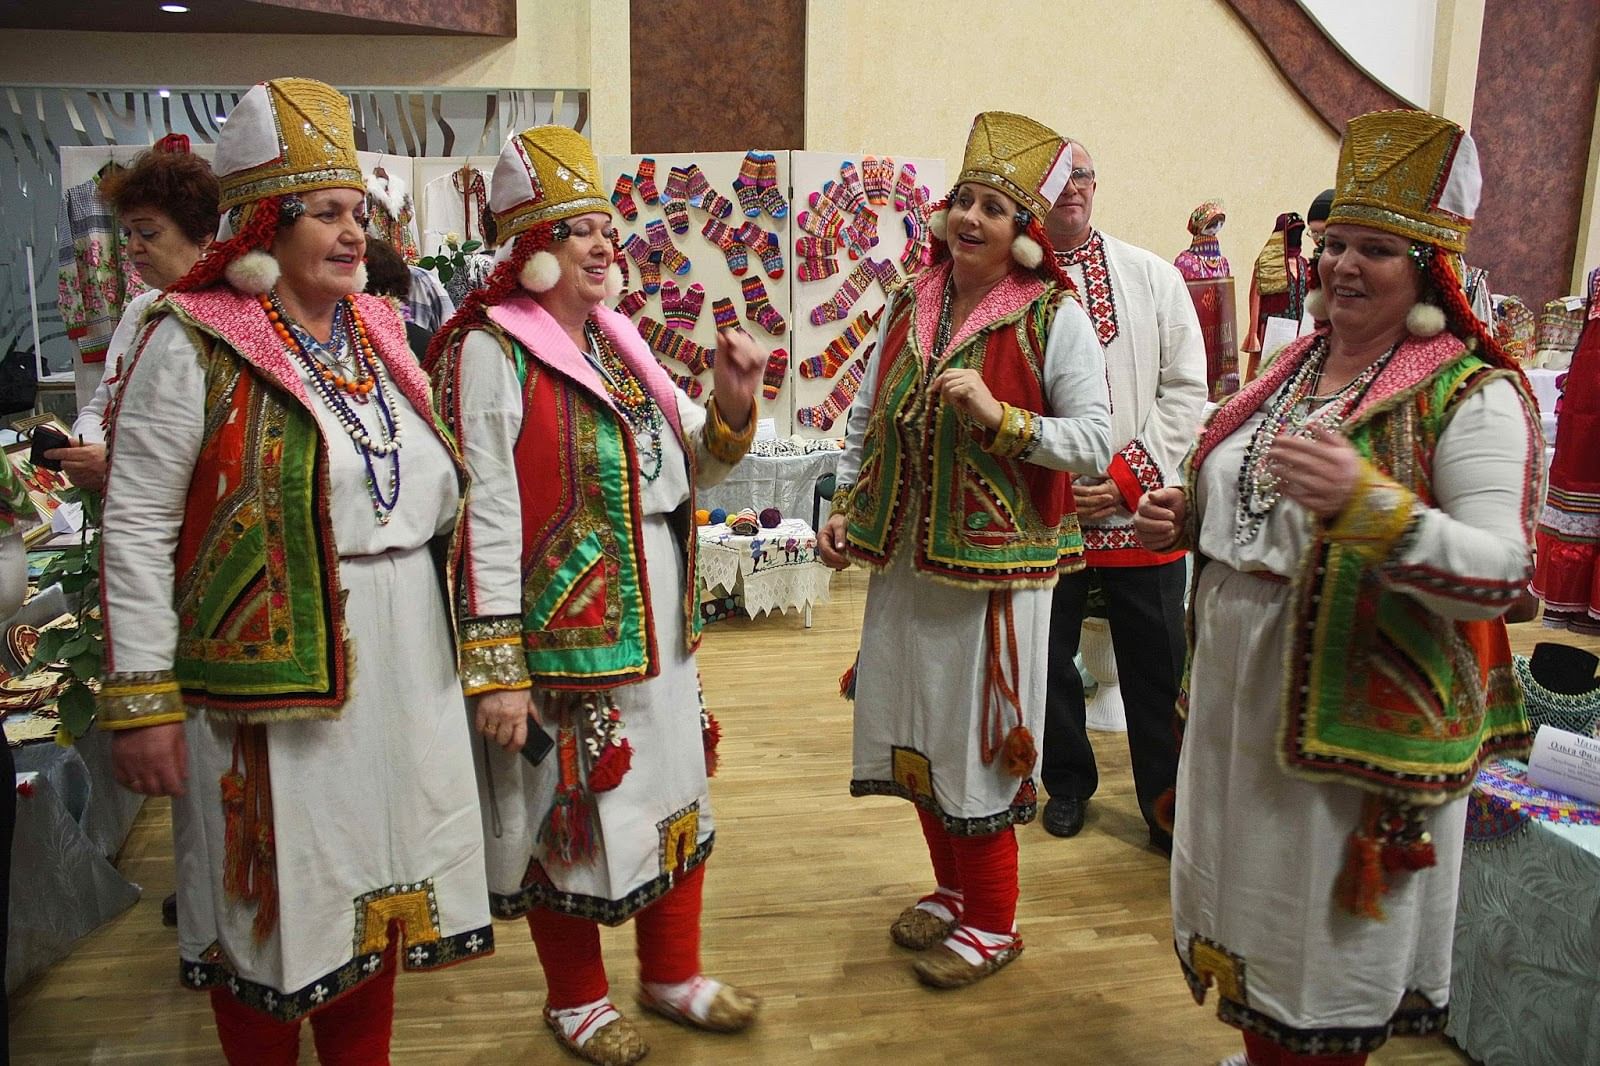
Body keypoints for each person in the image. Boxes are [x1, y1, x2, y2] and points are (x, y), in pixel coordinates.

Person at [1134, 109, 1542, 1066]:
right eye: (1334, 246)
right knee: (1247, 906)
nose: (1341, 267)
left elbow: (1503, 576)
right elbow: (1251, 499)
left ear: (1432, 270)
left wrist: (1374, 508)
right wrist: (1189, 515)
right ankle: (1270, 1045)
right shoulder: (1291, 368)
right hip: (1243, 698)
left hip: (1355, 723)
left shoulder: (1472, 394)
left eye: (1376, 250)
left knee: (1318, 943)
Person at [98, 77, 492, 1064]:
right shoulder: (185, 343)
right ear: (265, 224)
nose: (355, 232)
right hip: (270, 684)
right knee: (273, 911)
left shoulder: (386, 338)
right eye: (327, 213)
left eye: (360, 211)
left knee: (378, 893)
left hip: (405, 661)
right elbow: (138, 524)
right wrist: (141, 697)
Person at [425, 125, 766, 1066]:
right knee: (566, 807)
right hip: (558, 631)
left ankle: (672, 975)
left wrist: (733, 400)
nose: (603, 242)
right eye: (577, 228)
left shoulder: (619, 340)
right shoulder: (487, 349)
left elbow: (693, 460)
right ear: (529, 249)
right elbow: (481, 512)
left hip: (660, 609)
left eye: (605, 224)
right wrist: (498, 668)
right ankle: (574, 998)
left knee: (672, 788)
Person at [819, 112, 1112, 989]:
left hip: (995, 575)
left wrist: (1003, 418)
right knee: (913, 726)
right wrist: (841, 498)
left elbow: (1095, 441)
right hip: (906, 561)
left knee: (977, 742)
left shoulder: (1055, 316)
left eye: (993, 207)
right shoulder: (913, 300)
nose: (971, 218)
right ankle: (950, 889)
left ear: (1025, 232)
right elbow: (867, 417)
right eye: (963, 202)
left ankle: (994, 921)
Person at [1039, 139, 1208, 847]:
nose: (1072, 189)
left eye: (1081, 175)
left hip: (1143, 512)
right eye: (1056, 180)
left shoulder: (1152, 276)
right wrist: (1059, 482)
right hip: (1050, 513)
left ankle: (1166, 805)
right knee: (1047, 660)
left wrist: (1125, 479)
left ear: (1096, 183)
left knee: (1157, 665)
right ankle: (1067, 784)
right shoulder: (1018, 286)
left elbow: (1187, 390)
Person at [48, 136, 218, 491]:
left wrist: (115, 465)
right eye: (128, 233)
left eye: (148, 232)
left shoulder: (232, 319)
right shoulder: (142, 310)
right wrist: (88, 446)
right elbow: (100, 405)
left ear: (203, 235)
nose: (133, 246)